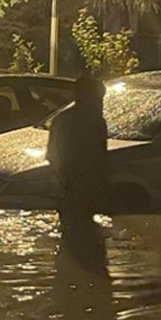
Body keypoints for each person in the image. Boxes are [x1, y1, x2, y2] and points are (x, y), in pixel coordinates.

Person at [47, 74, 108, 227]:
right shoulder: (95, 121)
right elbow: (100, 155)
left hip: (67, 182)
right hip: (84, 183)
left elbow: (52, 153)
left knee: (70, 227)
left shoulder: (61, 119)